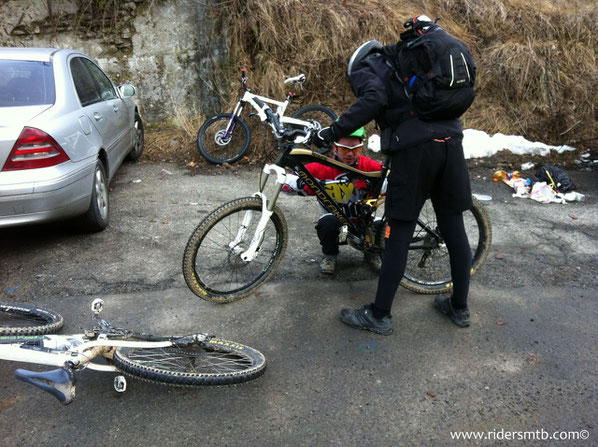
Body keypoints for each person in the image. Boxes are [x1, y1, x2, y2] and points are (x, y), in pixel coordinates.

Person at [312, 15, 474, 334]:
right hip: (451, 144)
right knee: (453, 226)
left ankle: (380, 314)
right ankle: (459, 307)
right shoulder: (419, 62)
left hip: (415, 152)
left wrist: (331, 132)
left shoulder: (372, 67)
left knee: (398, 231)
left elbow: (372, 100)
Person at [283, 127, 383, 274]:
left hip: (364, 225)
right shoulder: (321, 168)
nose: (349, 154)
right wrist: (296, 184)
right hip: (340, 229)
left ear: (361, 148)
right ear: (335, 148)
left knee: (385, 226)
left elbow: (392, 179)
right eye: (344, 149)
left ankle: (371, 252)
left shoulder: (368, 166)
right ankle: (330, 255)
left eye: (355, 150)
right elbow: (286, 185)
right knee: (327, 223)